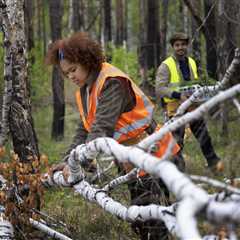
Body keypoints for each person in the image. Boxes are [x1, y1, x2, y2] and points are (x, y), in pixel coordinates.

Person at [45, 32, 181, 240]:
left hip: (152, 148)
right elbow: (85, 129)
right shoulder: (86, 89)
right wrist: (67, 161)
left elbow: (101, 128)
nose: (71, 76)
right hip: (130, 155)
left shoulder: (111, 82)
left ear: (87, 60)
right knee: (142, 215)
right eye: (66, 73)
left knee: (151, 213)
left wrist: (79, 162)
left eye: (73, 70)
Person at [155, 32, 222, 172]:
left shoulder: (191, 62)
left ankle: (214, 165)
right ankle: (178, 172)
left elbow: (193, 83)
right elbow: (160, 89)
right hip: (175, 108)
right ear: (173, 47)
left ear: (187, 46)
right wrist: (177, 95)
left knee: (203, 135)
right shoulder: (165, 65)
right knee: (176, 142)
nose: (181, 47)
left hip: (192, 105)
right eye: (177, 45)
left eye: (183, 45)